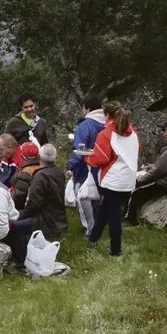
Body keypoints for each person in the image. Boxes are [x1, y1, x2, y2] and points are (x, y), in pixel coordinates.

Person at [85, 101, 139, 257]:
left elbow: (100, 159)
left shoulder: (106, 133)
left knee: (114, 214)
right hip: (128, 178)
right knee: (105, 208)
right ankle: (93, 238)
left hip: (112, 179)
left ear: (107, 115)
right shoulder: (132, 133)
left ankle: (116, 249)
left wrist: (87, 158)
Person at [125, 120, 167, 224]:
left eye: (164, 130)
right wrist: (151, 167)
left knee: (135, 190)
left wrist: (143, 178)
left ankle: (130, 220)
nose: (163, 132)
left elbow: (161, 169)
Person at [10, 144, 68, 266]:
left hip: (44, 218)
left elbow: (34, 204)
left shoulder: (40, 176)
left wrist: (22, 216)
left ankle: (20, 261)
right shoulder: (59, 172)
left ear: (40, 157)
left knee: (15, 226)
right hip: (57, 216)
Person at [66, 96, 106, 235]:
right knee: (98, 197)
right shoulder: (108, 123)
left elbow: (80, 150)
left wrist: (70, 165)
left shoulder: (85, 125)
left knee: (83, 196)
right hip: (104, 167)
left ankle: (89, 229)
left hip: (85, 167)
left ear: (86, 107)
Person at [9, 142, 41, 211]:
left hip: (28, 210)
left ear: (23, 156)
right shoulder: (43, 168)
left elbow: (18, 197)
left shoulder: (25, 173)